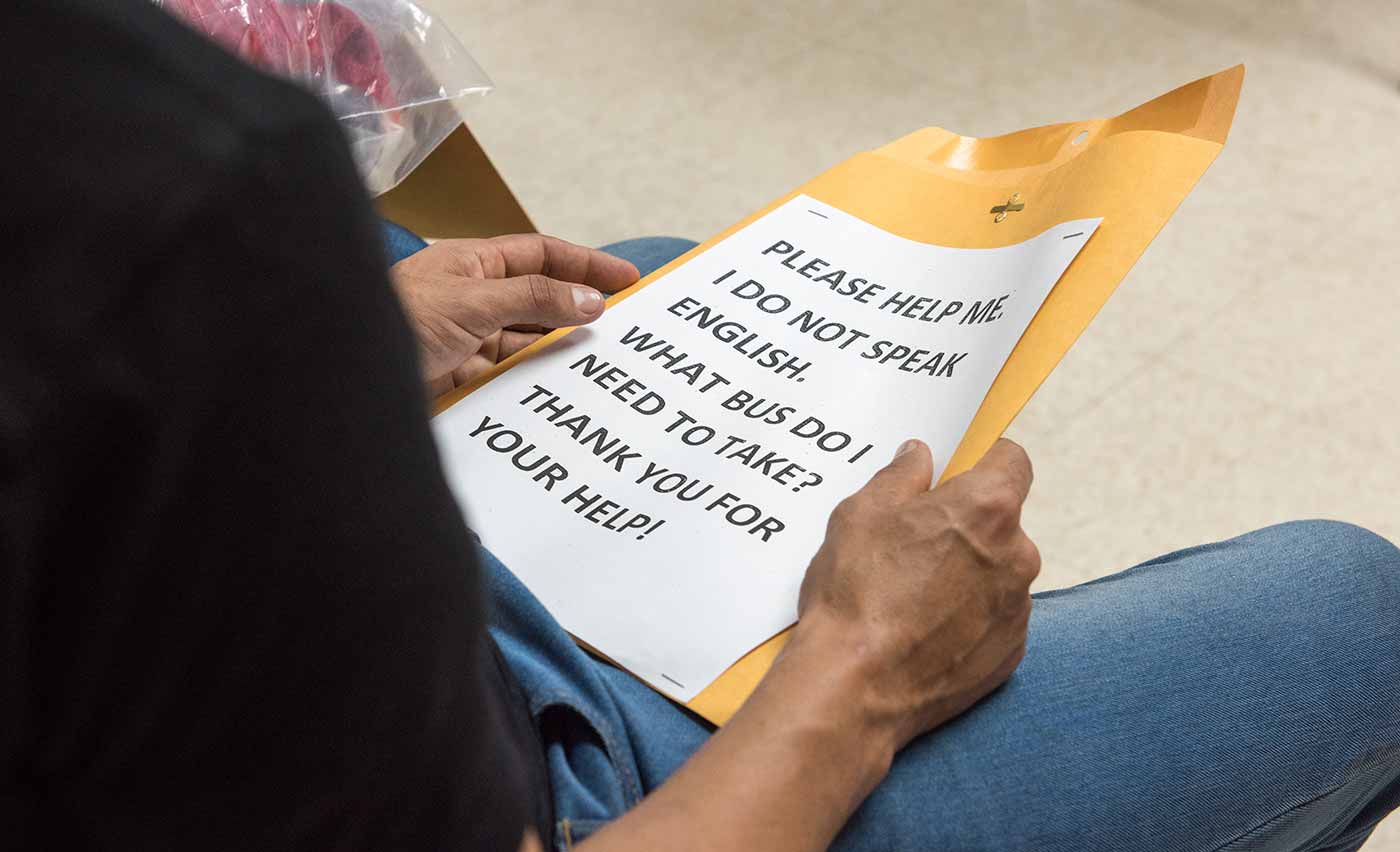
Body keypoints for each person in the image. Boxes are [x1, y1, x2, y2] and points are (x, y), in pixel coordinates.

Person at [3, 1, 1397, 850]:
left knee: (654, 280)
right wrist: (862, 675)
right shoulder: (189, 190)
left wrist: (314, 354)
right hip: (547, 783)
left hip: (239, 667)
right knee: (1360, 613)